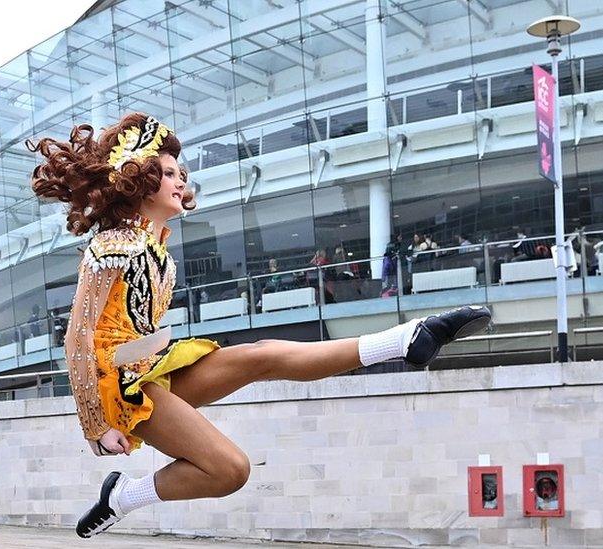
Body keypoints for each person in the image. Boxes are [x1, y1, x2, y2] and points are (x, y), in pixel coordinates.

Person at [26, 111, 492, 538]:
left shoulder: (159, 254)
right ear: (139, 180)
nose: (179, 180)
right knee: (231, 470)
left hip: (152, 365)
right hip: (120, 386)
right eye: (167, 172)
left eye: (178, 172)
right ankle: (123, 497)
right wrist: (94, 422)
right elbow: (80, 336)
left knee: (263, 354)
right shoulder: (110, 246)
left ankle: (407, 338)